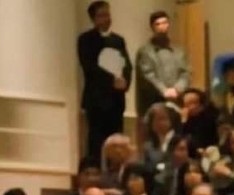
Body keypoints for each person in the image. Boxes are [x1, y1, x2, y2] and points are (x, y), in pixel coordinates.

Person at [78, 1, 133, 161]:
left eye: (107, 15)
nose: (106, 19)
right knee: (96, 141)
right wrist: (112, 80)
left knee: (116, 141)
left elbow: (127, 65)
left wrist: (125, 82)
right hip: (96, 100)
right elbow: (89, 67)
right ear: (93, 19)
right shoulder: (85, 40)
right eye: (101, 15)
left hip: (116, 100)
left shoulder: (118, 40)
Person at [135, 11, 190, 118]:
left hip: (176, 102)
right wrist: (164, 91)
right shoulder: (145, 51)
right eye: (158, 24)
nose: (162, 27)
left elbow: (186, 73)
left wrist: (177, 89)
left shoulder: (179, 51)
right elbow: (148, 75)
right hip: (153, 103)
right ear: (152, 27)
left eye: (164, 23)